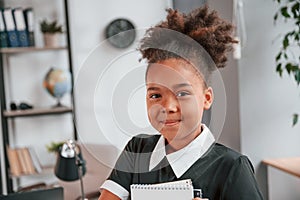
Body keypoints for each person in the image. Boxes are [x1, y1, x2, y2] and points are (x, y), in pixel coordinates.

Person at [99, 5, 263, 200]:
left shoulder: (232, 167)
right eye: (155, 95)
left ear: (207, 98)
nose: (167, 107)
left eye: (182, 93)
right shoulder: (137, 149)